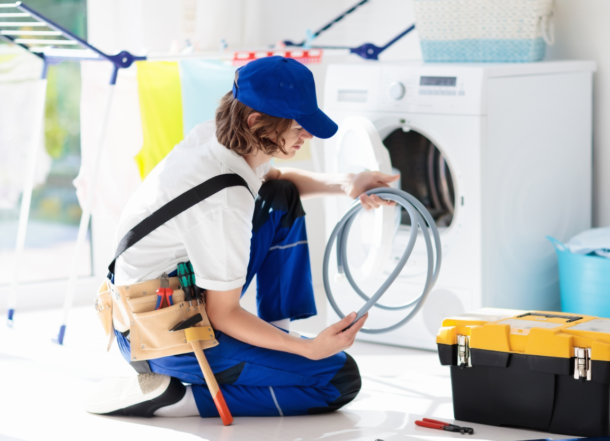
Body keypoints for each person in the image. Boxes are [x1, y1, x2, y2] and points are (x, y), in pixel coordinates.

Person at [86, 56, 398, 418]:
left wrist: (346, 183)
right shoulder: (224, 203)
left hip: (157, 296)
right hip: (157, 336)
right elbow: (224, 313)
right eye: (298, 126)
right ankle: (177, 399)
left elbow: (276, 177)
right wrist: (307, 349)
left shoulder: (216, 138)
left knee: (280, 196)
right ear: (257, 122)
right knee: (338, 379)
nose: (307, 135)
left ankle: (275, 335)